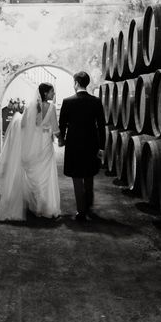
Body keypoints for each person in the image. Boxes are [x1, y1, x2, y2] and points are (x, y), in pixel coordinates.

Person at [0, 83, 61, 221]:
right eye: (52, 92)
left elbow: (22, 125)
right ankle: (42, 206)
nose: (54, 94)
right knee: (44, 175)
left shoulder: (30, 107)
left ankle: (36, 204)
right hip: (45, 144)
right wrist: (62, 140)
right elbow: (56, 130)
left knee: (32, 173)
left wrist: (19, 121)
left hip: (32, 145)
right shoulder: (51, 108)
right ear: (45, 93)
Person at [57, 71, 105, 222]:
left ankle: (81, 210)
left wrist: (62, 140)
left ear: (76, 83)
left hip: (74, 143)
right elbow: (101, 126)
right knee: (89, 174)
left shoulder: (68, 101)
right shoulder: (96, 101)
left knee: (77, 177)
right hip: (91, 142)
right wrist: (101, 146)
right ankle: (89, 205)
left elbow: (62, 124)